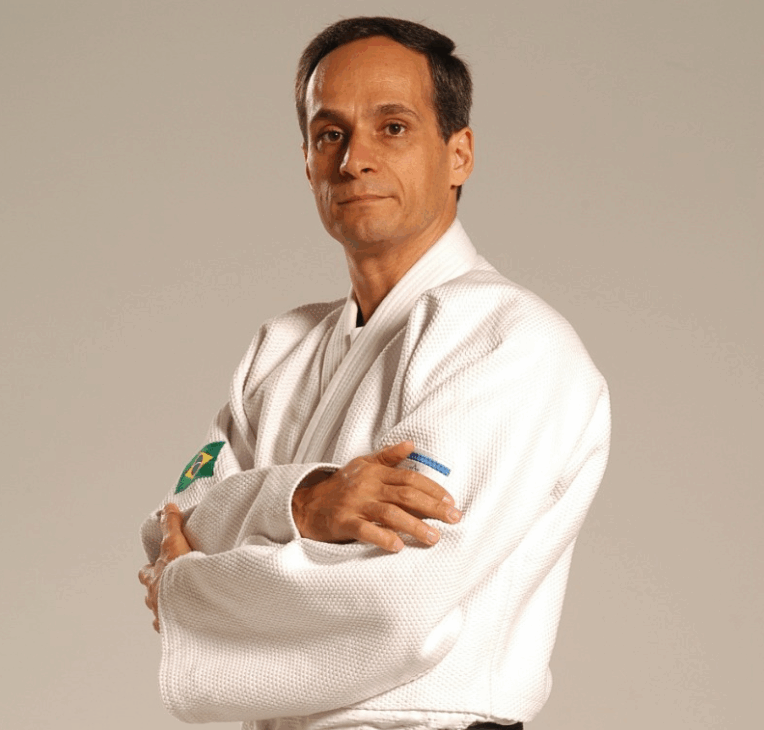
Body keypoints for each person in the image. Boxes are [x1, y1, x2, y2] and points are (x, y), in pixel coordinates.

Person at [138, 15, 610, 730]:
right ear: (306, 161)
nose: (355, 159)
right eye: (330, 133)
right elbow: (172, 527)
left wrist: (195, 590)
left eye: (393, 127)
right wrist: (303, 504)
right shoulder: (280, 348)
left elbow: (395, 603)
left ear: (459, 154)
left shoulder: (511, 342)